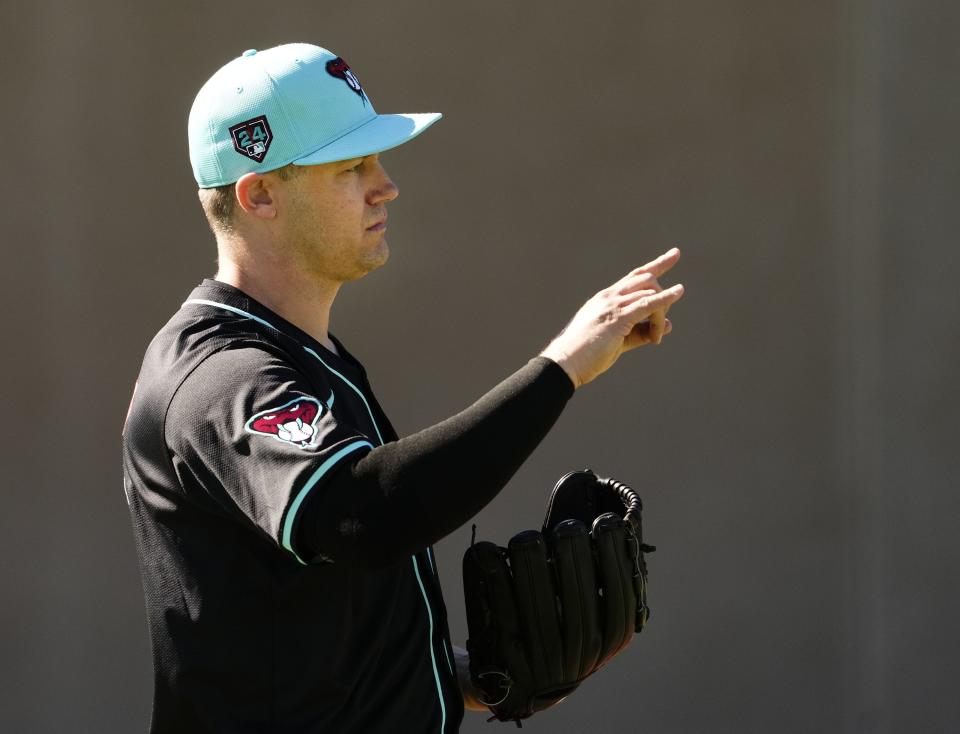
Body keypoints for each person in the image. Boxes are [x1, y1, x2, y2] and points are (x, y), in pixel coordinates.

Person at [121, 42, 684, 734]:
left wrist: (451, 674)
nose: (385, 185)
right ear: (259, 193)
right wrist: (560, 367)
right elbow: (363, 515)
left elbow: (295, 617)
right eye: (352, 166)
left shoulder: (299, 356)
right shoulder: (221, 376)